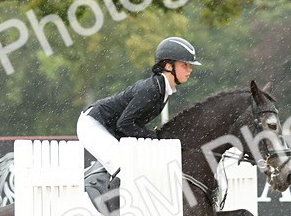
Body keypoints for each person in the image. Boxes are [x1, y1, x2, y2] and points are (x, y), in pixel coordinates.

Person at [75, 37, 202, 177]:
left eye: (190, 66)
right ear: (168, 66)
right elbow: (124, 124)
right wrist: (154, 137)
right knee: (124, 170)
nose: (190, 70)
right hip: (94, 125)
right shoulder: (151, 90)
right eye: (185, 65)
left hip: (111, 127)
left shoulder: (162, 89)